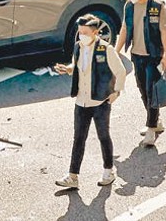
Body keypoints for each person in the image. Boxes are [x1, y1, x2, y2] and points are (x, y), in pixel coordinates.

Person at [53, 14, 126, 189]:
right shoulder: (78, 47)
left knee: (103, 136)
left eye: (85, 32)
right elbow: (77, 65)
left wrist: (116, 92)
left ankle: (109, 171)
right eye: (80, 32)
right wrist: (69, 69)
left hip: (100, 101)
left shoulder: (106, 49)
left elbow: (121, 71)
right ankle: (73, 176)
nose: (81, 35)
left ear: (94, 32)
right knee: (78, 138)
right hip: (81, 100)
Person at [115, 0, 166, 147]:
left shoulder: (157, 6)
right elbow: (124, 28)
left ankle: (150, 128)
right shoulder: (129, 7)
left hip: (153, 56)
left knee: (151, 90)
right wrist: (116, 51)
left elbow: (163, 32)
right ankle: (155, 122)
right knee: (143, 91)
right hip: (136, 56)